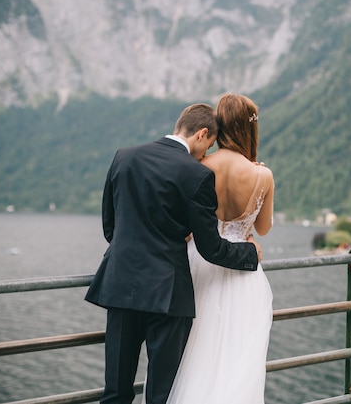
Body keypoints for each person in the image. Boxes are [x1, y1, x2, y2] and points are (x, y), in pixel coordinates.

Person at [85, 102, 261, 404]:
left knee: (115, 391)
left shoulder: (124, 157)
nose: (205, 156)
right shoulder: (196, 175)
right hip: (168, 295)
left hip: (120, 287)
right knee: (161, 395)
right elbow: (211, 249)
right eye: (207, 148)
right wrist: (249, 253)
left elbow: (110, 228)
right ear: (202, 134)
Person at [165, 93, 275, 404]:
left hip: (198, 266)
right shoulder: (262, 174)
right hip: (243, 274)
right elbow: (263, 228)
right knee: (237, 362)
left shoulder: (199, 166)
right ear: (249, 129)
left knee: (194, 354)